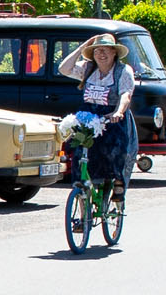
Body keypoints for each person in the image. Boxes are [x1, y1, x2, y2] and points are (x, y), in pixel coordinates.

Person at [59, 33, 138, 201]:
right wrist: (81, 48)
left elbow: (125, 94)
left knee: (115, 147)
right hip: (89, 115)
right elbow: (63, 69)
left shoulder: (123, 71)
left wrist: (119, 112)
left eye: (105, 51)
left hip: (112, 116)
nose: (101, 55)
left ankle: (117, 182)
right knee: (80, 153)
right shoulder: (88, 69)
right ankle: (81, 198)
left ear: (114, 52)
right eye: (96, 51)